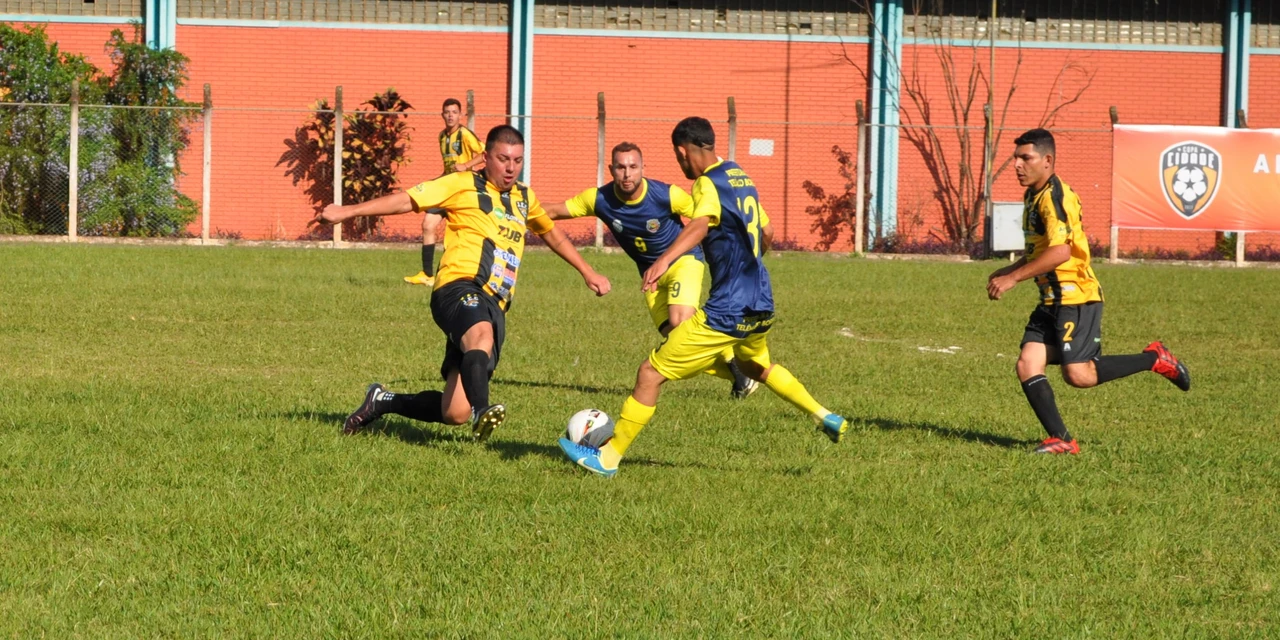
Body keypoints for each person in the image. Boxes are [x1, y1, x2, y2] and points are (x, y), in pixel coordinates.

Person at [558, 117, 849, 477]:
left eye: (676, 156)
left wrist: (664, 260)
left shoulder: (706, 184)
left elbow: (698, 223)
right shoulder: (739, 175)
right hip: (761, 299)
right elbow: (768, 229)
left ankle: (607, 458)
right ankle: (824, 415)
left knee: (649, 373)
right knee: (756, 366)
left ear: (683, 151)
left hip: (728, 307)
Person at [315, 124, 611, 441]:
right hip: (458, 287)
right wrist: (347, 212)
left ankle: (381, 401)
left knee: (453, 411)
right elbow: (406, 200)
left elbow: (550, 232)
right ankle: (482, 411)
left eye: (518, 160)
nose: (510, 167)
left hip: (495, 303)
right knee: (480, 337)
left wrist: (587, 271)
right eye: (502, 158)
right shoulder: (462, 184)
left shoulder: (524, 198)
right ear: (485, 158)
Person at [987, 128, 1191, 455]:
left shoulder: (1055, 198)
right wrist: (1010, 269)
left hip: (1076, 297)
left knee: (1079, 375)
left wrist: (1013, 279)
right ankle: (1062, 440)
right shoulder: (1033, 195)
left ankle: (1155, 358)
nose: (1017, 164)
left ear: (1048, 160)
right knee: (1028, 363)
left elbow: (1060, 253)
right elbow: (1044, 248)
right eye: (1016, 158)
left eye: (1026, 158)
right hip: (1052, 299)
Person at [544, 141, 758, 399]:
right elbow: (554, 211)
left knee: (682, 324)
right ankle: (739, 372)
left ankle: (739, 363)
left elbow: (705, 218)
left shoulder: (666, 194)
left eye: (633, 167)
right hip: (650, 276)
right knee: (676, 343)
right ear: (611, 169)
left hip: (683, 261)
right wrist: (515, 207)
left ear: (643, 168)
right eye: (621, 167)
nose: (627, 174)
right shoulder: (599, 199)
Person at [405, 98, 487, 287]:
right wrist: (437, 181)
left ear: (460, 115)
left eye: (454, 112)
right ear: (442, 115)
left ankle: (464, 276)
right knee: (428, 224)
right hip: (448, 187)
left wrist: (466, 165)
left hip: (463, 190)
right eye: (447, 112)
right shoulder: (442, 136)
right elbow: (449, 167)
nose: (450, 115)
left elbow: (484, 154)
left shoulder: (465, 134)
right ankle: (427, 274)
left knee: (461, 234)